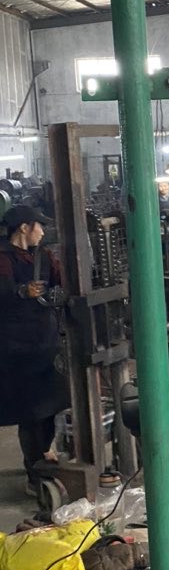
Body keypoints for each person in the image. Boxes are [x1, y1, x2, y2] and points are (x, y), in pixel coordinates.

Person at [0, 206, 68, 493]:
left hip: (45, 343)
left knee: (49, 406)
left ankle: (43, 455)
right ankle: (34, 474)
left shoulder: (44, 256)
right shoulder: (3, 258)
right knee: (30, 412)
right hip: (15, 348)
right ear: (24, 228)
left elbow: (63, 279)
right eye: (39, 225)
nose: (42, 231)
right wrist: (20, 291)